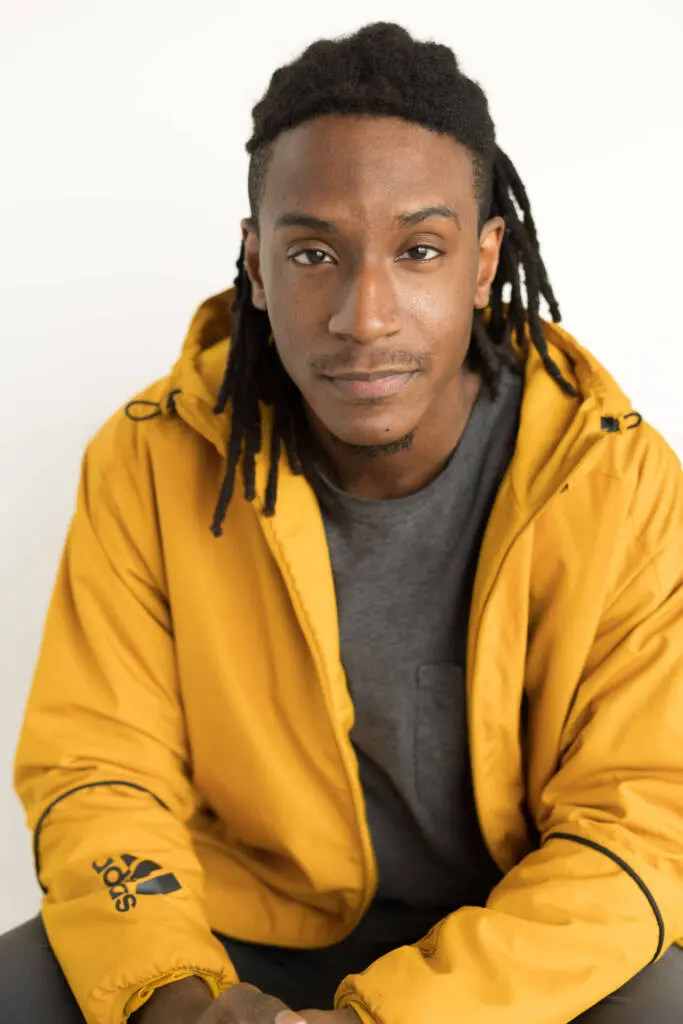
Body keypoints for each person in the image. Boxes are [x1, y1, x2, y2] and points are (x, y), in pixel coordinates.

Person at [1, 19, 682, 1024]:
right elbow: (100, 770)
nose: (365, 316)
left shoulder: (613, 477)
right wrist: (182, 999)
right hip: (238, 935)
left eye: (418, 249)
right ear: (256, 263)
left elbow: (641, 822)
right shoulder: (150, 459)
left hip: (509, 949)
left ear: (484, 257)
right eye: (313, 252)